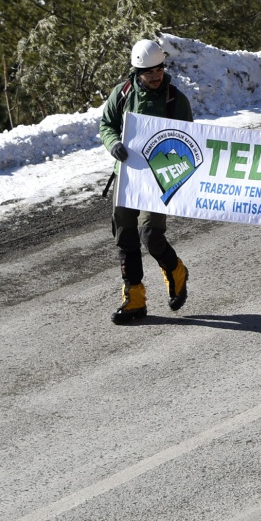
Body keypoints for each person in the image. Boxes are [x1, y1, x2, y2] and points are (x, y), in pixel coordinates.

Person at [100, 39, 194, 324]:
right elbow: (107, 125)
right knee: (125, 236)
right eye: (148, 71)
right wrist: (113, 143)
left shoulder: (176, 100)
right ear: (137, 71)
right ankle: (135, 298)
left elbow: (189, 140)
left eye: (159, 69)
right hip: (128, 175)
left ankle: (176, 271)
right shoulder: (122, 93)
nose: (155, 76)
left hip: (160, 179)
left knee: (151, 235)